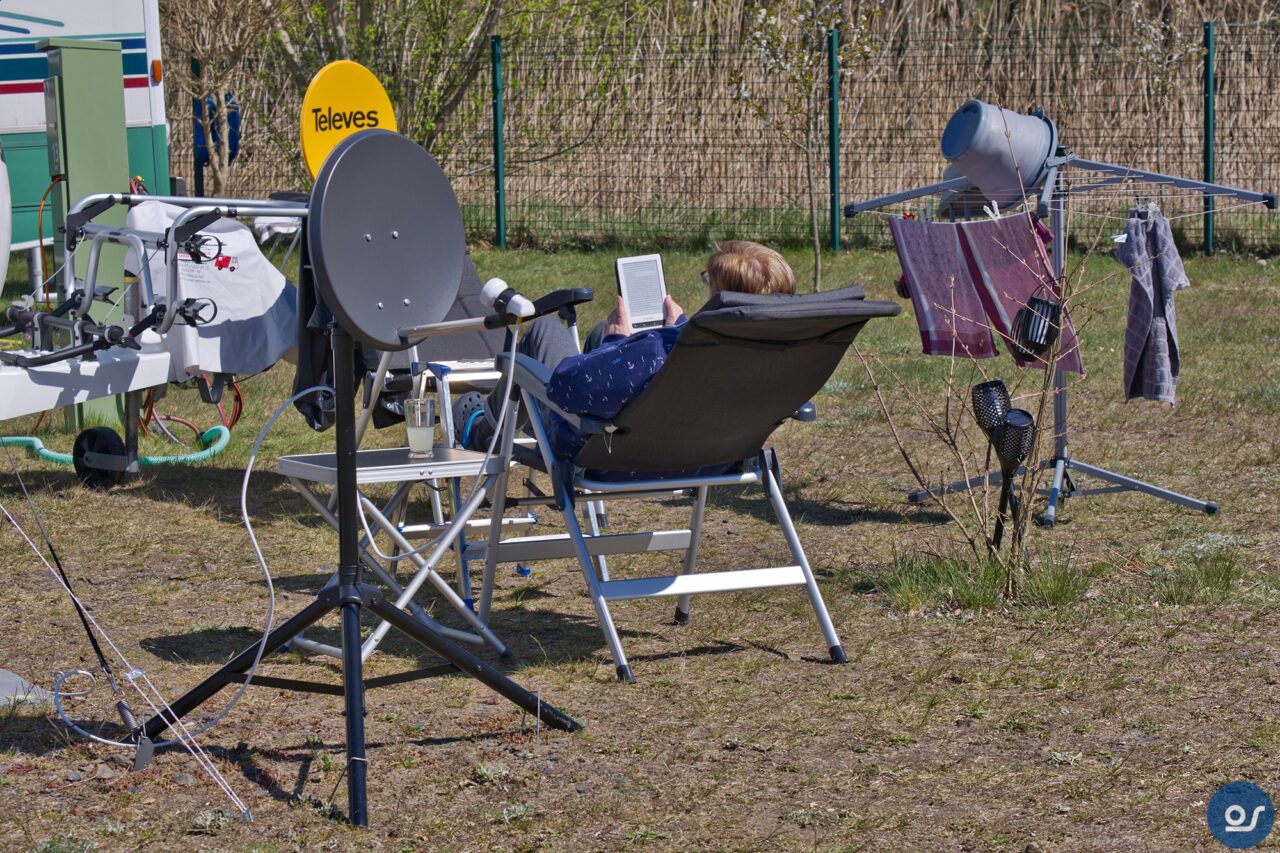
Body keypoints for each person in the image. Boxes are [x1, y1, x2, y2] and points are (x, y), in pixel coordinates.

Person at [455, 240, 796, 459]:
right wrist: (675, 328)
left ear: (720, 297)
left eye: (709, 283)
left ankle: (483, 432)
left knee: (545, 329)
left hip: (601, 452)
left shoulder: (659, 350)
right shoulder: (778, 361)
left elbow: (565, 387)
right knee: (597, 333)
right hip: (709, 457)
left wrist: (618, 343)